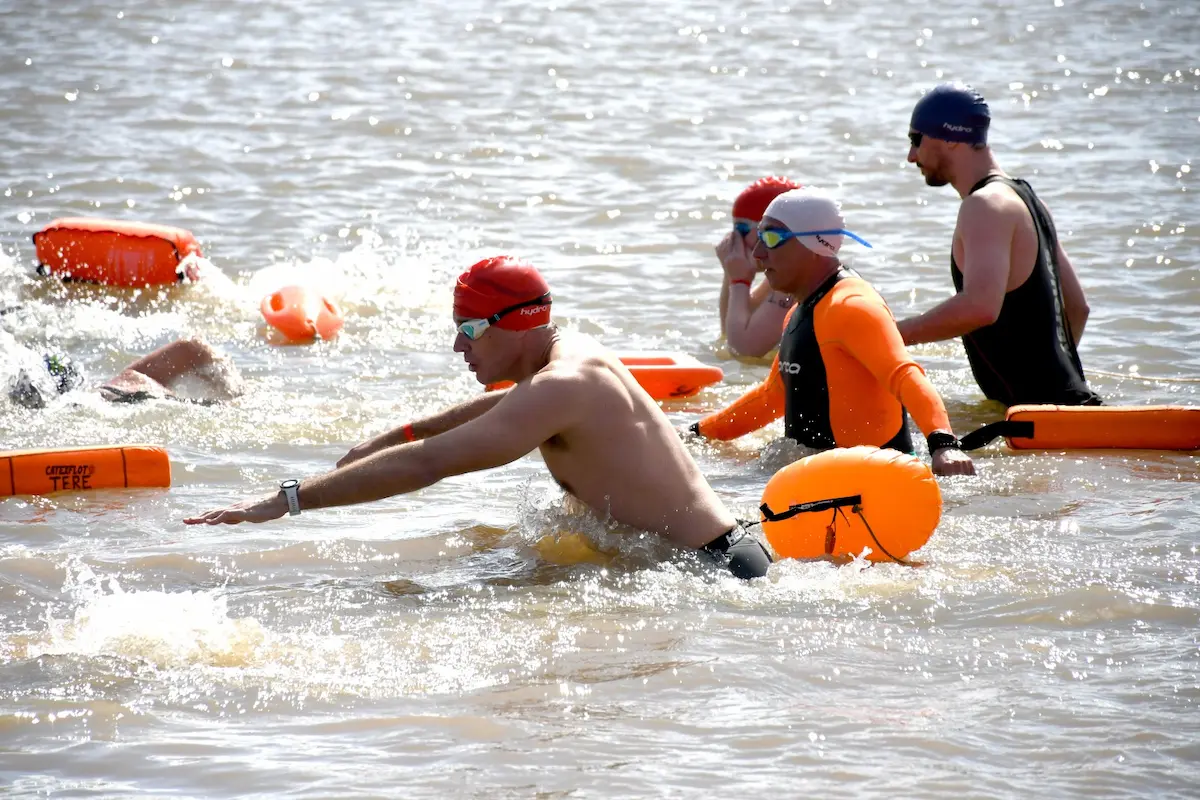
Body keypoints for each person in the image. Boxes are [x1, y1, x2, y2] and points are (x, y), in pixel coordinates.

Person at [184, 256, 773, 579]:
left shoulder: (562, 383)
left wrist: (284, 502)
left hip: (715, 571)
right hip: (718, 555)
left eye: (467, 331)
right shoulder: (573, 360)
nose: (459, 348)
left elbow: (430, 465)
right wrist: (397, 432)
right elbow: (499, 406)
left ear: (514, 323)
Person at [686, 188, 976, 477]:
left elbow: (905, 375)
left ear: (814, 245)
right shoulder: (800, 311)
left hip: (874, 482)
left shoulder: (852, 306)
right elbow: (771, 398)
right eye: (759, 237)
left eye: (772, 238)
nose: (758, 254)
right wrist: (696, 434)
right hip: (818, 476)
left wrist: (944, 444)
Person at [895, 82, 1100, 407]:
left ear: (950, 137)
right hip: (1063, 407)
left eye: (916, 139)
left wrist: (892, 335)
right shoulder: (1027, 198)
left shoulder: (984, 206)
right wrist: (1051, 380)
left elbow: (980, 307)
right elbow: (1077, 307)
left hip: (1040, 418)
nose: (910, 156)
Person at [3, 331, 242, 409]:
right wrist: (238, 395)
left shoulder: (128, 382)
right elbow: (193, 346)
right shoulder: (132, 379)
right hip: (126, 401)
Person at [717, 176, 802, 357]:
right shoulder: (782, 276)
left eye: (740, 230)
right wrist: (731, 274)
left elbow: (742, 350)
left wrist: (739, 281)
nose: (735, 240)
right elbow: (730, 331)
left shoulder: (795, 280)